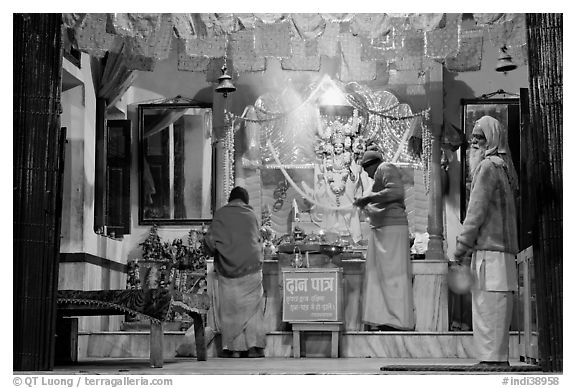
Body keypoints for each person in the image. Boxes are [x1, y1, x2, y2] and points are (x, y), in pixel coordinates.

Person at [454, 115, 519, 366]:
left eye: (479, 138)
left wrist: (461, 246)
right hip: (502, 253)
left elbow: (476, 211)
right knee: (498, 307)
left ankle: (490, 362)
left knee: (487, 308)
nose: (473, 142)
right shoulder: (503, 168)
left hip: (490, 251)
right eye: (473, 137)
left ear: (491, 140)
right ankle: (497, 360)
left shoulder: (487, 167)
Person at [353, 150, 415, 331]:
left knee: (393, 277)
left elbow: (395, 192)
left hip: (391, 229)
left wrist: (368, 198)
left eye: (366, 169)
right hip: (383, 230)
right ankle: (384, 319)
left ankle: (396, 320)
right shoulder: (379, 174)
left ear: (371, 164)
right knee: (378, 277)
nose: (367, 174)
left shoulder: (385, 167)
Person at [205, 186, 266, 358]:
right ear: (245, 200)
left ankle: (234, 350)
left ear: (230, 199)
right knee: (253, 310)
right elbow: (257, 239)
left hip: (228, 269)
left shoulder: (221, 214)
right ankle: (254, 348)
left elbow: (210, 241)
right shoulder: (252, 215)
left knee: (231, 310)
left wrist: (218, 251)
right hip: (251, 268)